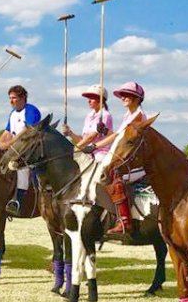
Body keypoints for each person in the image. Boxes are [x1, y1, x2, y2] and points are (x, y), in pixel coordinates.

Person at [93, 81, 147, 235]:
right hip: (128, 160)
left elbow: (120, 137)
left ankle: (124, 221)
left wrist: (96, 146)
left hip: (137, 163)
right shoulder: (128, 115)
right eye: (122, 95)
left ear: (137, 98)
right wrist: (105, 132)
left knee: (116, 179)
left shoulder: (139, 116)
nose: (123, 98)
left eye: (128, 95)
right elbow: (117, 136)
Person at [0, 84, 41, 215]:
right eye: (10, 98)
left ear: (23, 98)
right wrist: (0, 142)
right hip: (14, 147)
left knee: (21, 167)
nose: (11, 101)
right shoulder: (13, 113)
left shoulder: (31, 110)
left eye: (14, 98)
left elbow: (28, 130)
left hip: (29, 147)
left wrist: (11, 142)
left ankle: (18, 201)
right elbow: (7, 131)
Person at [61, 84, 114, 160]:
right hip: (87, 154)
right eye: (89, 98)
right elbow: (83, 141)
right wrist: (70, 133)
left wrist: (74, 149)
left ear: (100, 100)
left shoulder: (105, 115)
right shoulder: (89, 116)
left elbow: (91, 137)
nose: (89, 101)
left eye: (92, 98)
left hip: (100, 154)